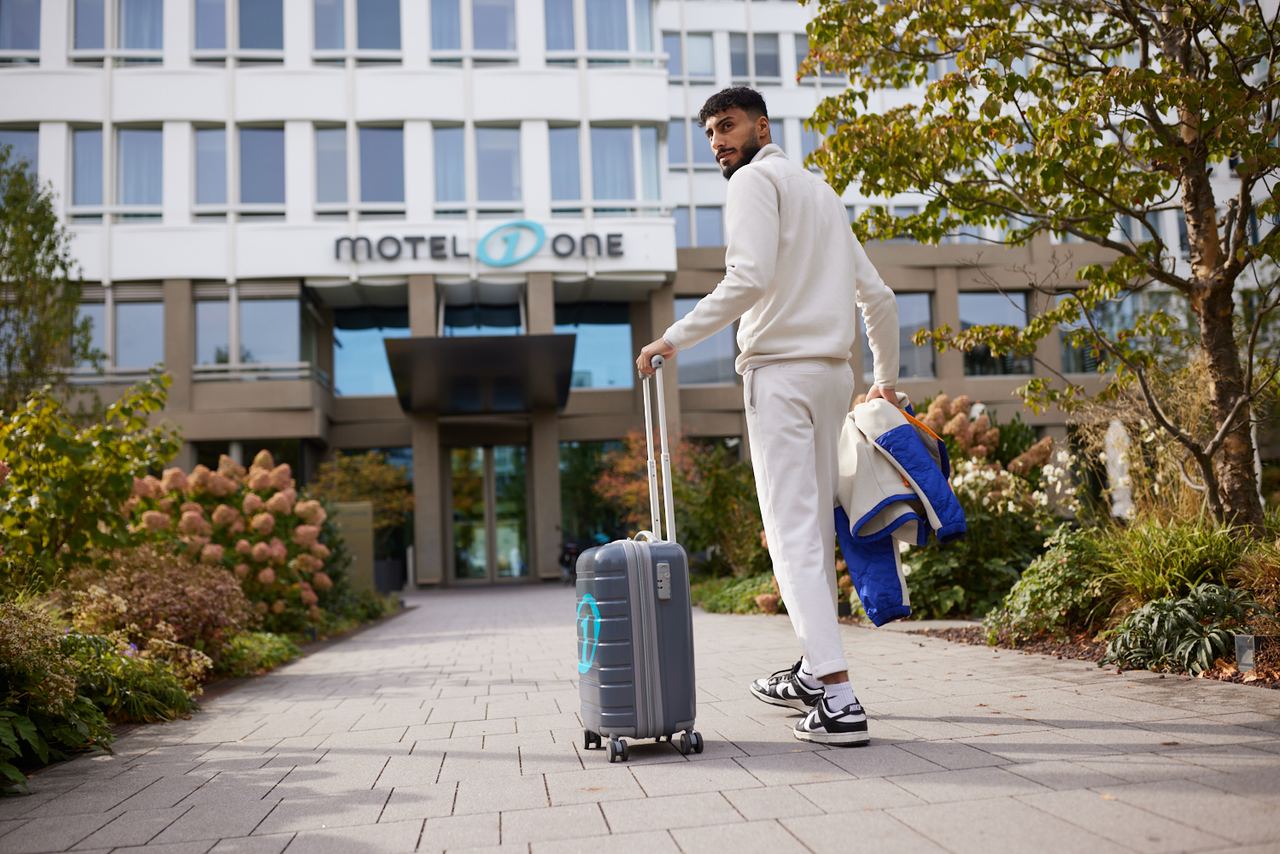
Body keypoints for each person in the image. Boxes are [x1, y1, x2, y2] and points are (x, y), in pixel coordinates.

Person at [636, 87, 900, 746]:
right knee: (812, 529)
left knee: (791, 533)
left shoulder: (754, 183)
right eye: (711, 135)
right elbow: (881, 296)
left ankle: (838, 697)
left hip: (780, 377)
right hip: (833, 378)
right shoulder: (822, 194)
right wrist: (885, 383)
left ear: (761, 126)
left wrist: (673, 337)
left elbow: (749, 277)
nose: (719, 142)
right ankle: (815, 669)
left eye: (727, 127)